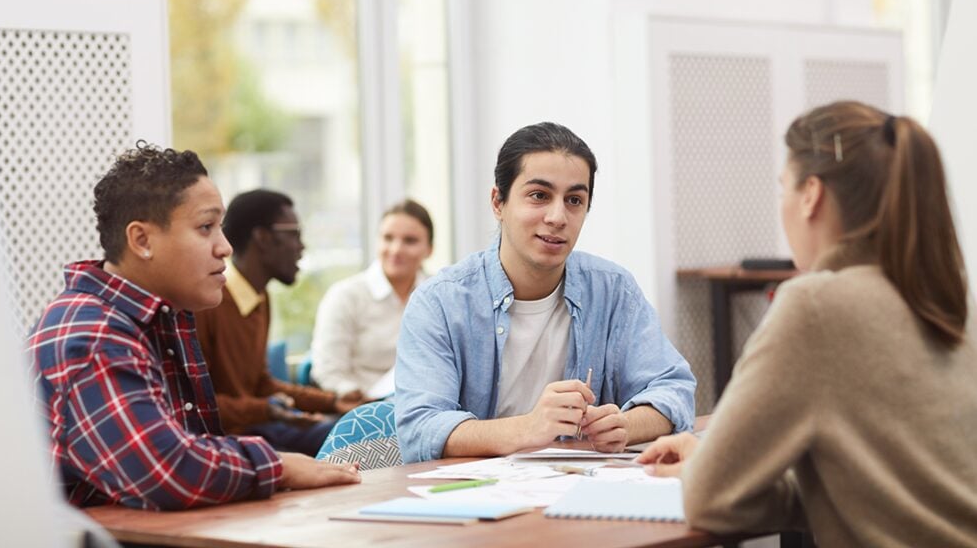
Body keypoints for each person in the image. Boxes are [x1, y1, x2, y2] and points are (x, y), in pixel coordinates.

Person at [638, 101, 977, 547]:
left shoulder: (817, 305)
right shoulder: (945, 301)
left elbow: (708, 499)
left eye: (784, 188)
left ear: (811, 194)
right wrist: (709, 465)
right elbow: (900, 486)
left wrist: (705, 471)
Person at [28, 144, 359, 511]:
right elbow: (165, 469)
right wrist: (279, 465)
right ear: (142, 240)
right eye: (205, 228)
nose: (225, 248)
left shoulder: (162, 317)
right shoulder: (92, 335)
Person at [395, 122, 696, 463]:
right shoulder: (439, 302)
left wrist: (626, 425)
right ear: (498, 202)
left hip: (582, 491)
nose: (557, 217)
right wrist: (528, 429)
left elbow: (674, 390)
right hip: (476, 499)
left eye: (574, 201)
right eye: (539, 196)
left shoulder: (612, 290)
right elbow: (421, 429)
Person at [195, 189, 366, 457]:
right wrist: (266, 409)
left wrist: (333, 401)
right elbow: (197, 405)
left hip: (261, 427)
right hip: (228, 440)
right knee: (342, 448)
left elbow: (261, 383)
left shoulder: (259, 297)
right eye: (294, 234)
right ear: (263, 238)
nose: (302, 247)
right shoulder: (207, 304)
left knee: (360, 432)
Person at [310, 199, 434, 397]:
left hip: (426, 408)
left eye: (410, 241)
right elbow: (328, 370)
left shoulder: (440, 295)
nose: (396, 250)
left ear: (429, 249)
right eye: (387, 238)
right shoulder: (345, 296)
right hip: (362, 409)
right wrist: (353, 395)